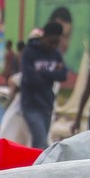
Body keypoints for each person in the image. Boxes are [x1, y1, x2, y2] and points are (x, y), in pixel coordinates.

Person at [18, 21, 69, 149]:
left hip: (47, 103)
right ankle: (41, 167)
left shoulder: (55, 54)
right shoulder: (30, 52)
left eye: (56, 43)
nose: (54, 46)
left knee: (40, 140)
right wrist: (51, 73)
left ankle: (36, 165)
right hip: (31, 104)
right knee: (41, 141)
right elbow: (30, 78)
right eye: (51, 42)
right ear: (44, 37)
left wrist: (42, 73)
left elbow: (62, 74)